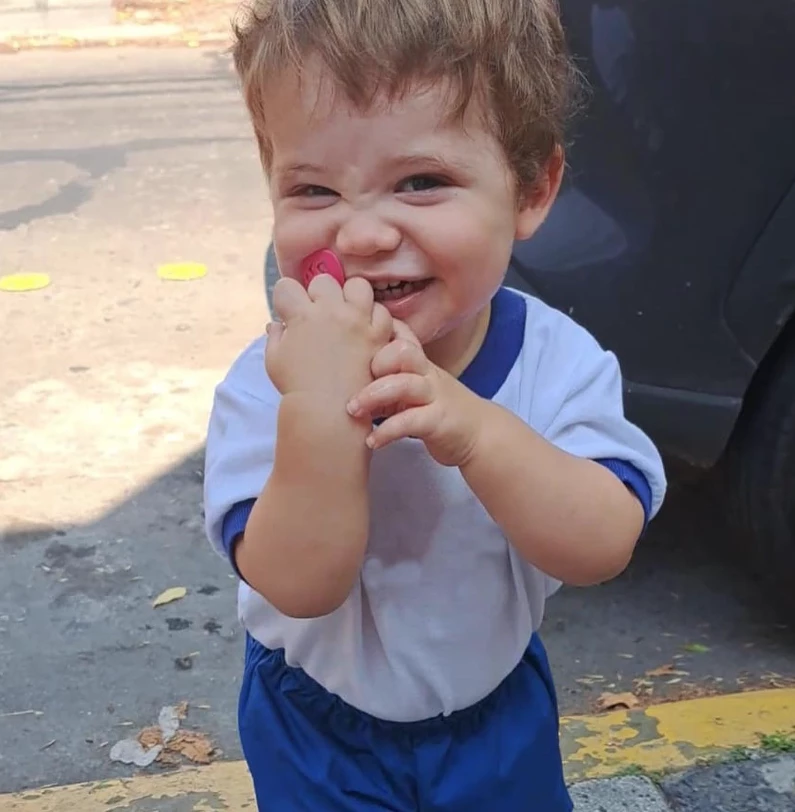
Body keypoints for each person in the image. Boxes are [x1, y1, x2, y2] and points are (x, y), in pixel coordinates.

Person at [203, 0, 667, 808]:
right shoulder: (269, 380)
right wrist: (318, 410)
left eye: (421, 183)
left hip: (492, 710)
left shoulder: (555, 363)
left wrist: (478, 433)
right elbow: (297, 585)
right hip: (317, 724)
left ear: (531, 189)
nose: (360, 235)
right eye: (313, 189)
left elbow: (600, 547)